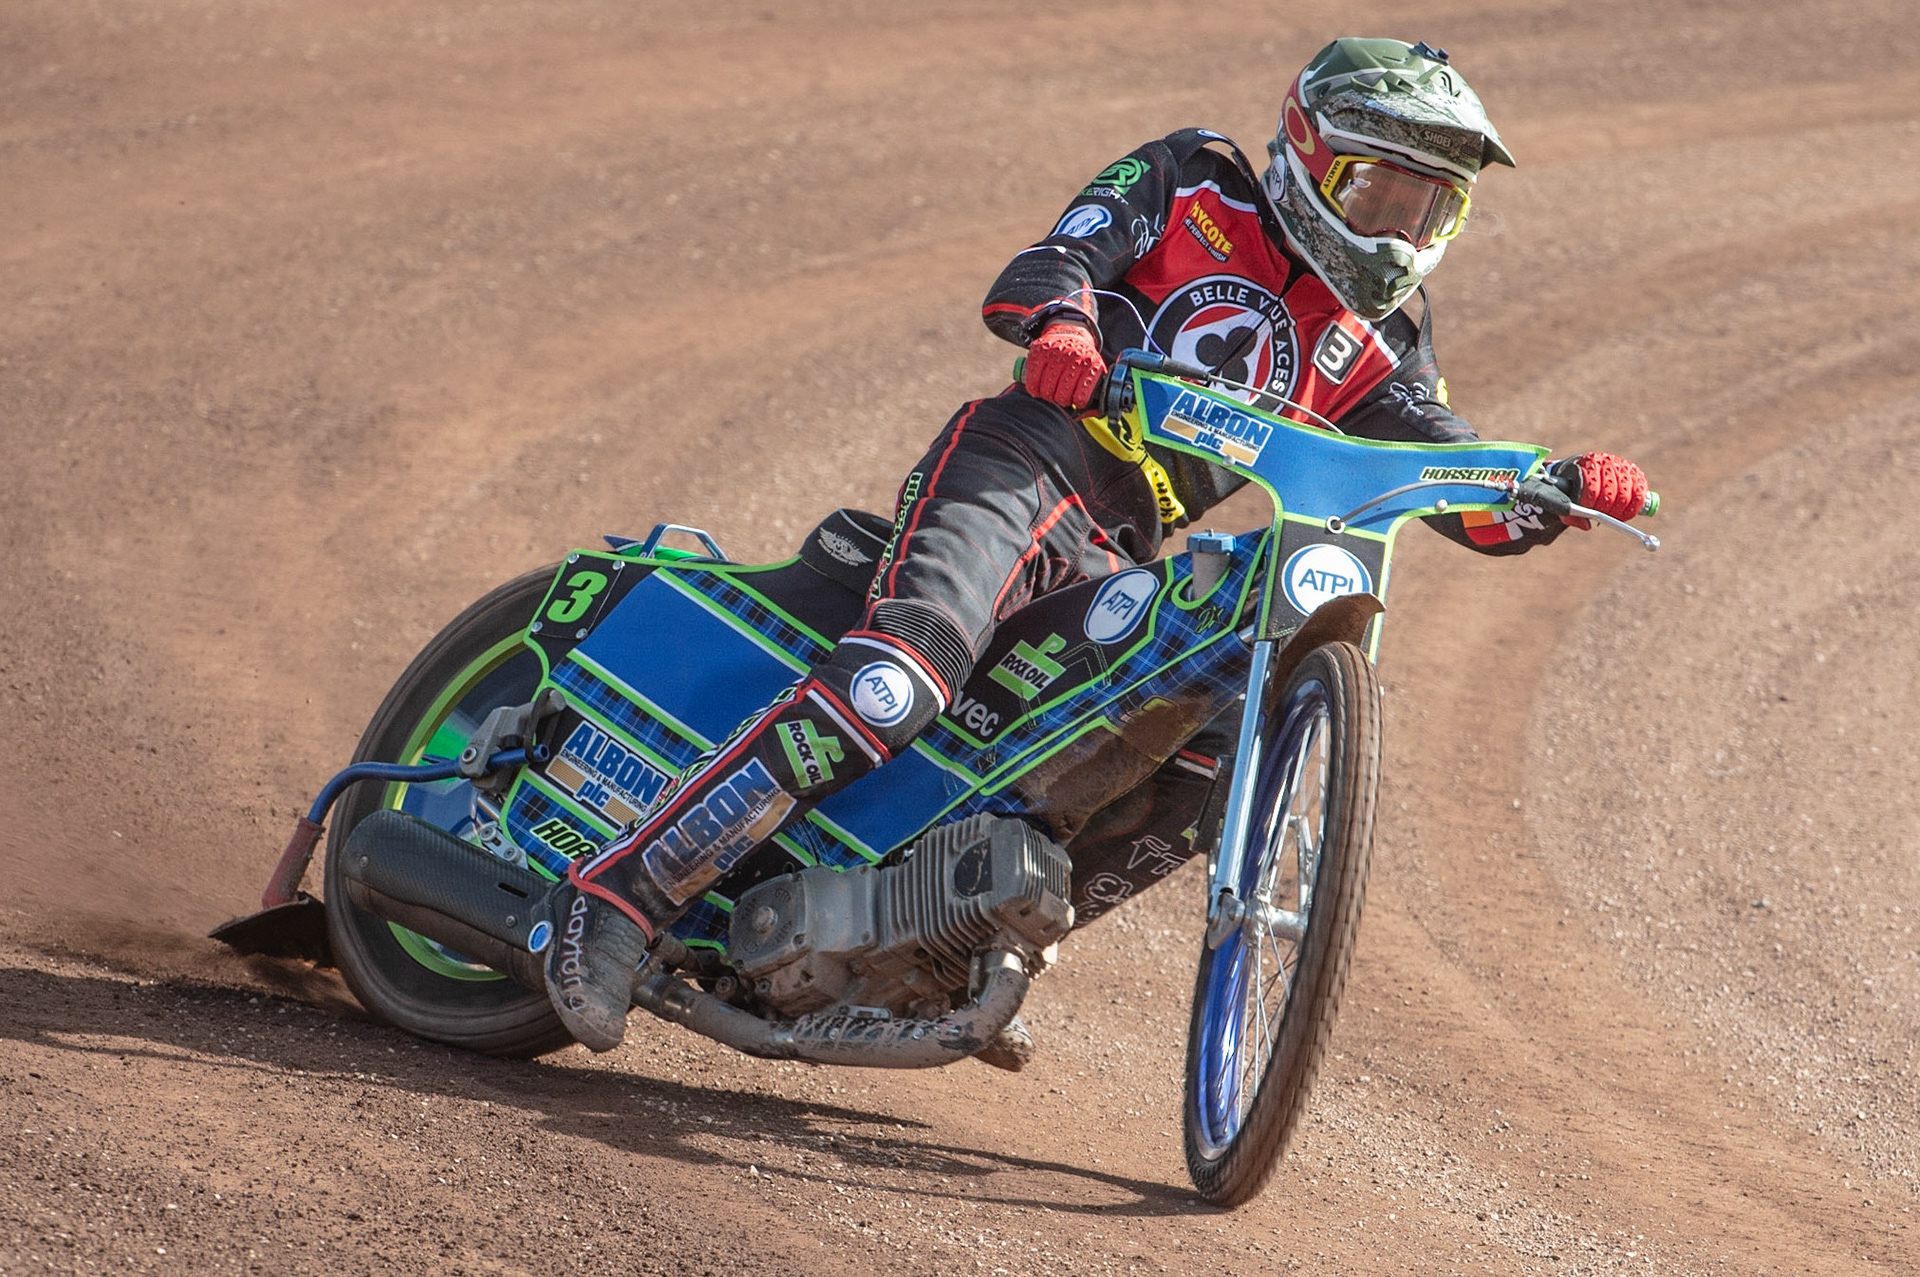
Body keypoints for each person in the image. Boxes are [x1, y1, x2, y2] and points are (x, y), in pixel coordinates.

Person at [543, 36, 1652, 1050]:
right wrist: (1066, 323)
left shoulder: (1382, 341)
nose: (1398, 229)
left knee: (1206, 737)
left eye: (1429, 206)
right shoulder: (1192, 180)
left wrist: (1549, 485)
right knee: (896, 681)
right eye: (1379, 189)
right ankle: (613, 900)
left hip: (1116, 543)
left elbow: (1446, 471)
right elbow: (1055, 261)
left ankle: (958, 944)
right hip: (1027, 460)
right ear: (1309, 151)